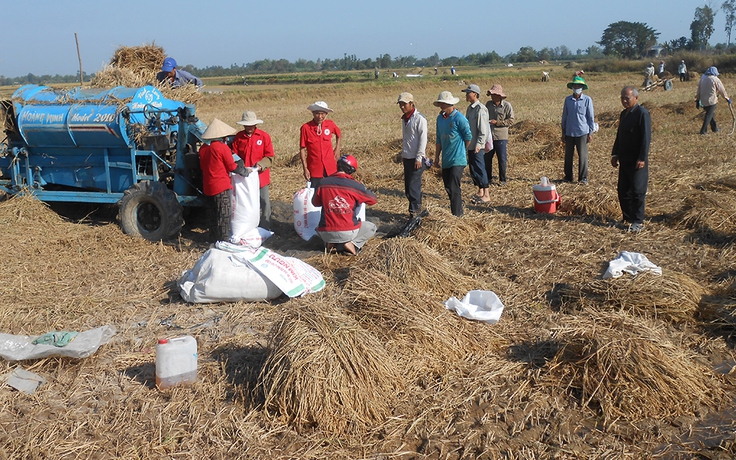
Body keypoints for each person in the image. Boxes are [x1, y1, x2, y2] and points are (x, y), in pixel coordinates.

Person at [312, 155, 377, 255]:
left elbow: (315, 203)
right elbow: (373, 200)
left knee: (318, 227)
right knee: (372, 227)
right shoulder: (355, 185)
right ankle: (352, 244)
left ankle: (331, 242)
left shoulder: (323, 182)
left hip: (325, 232)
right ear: (351, 170)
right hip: (348, 232)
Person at [199, 118, 248, 241]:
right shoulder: (222, 148)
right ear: (222, 136)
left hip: (207, 186)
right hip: (221, 187)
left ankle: (213, 239)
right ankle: (223, 241)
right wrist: (245, 171)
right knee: (223, 216)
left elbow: (202, 167)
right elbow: (232, 166)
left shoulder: (203, 149)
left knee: (212, 215)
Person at [611, 86, 651, 233]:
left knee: (638, 190)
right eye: (622, 98)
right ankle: (627, 217)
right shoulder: (624, 114)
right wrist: (615, 154)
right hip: (624, 158)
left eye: (627, 98)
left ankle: (638, 221)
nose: (624, 100)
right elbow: (619, 135)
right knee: (623, 190)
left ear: (636, 98)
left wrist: (642, 158)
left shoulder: (642, 114)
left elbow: (646, 138)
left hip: (637, 160)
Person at [230, 111, 275, 229]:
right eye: (246, 125)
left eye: (251, 125)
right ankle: (248, 225)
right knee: (244, 201)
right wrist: (241, 167)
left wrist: (260, 165)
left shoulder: (264, 137)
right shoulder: (238, 137)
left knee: (264, 201)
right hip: (243, 176)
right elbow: (234, 154)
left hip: (260, 176)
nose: (248, 127)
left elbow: (270, 156)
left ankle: (266, 226)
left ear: (255, 124)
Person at [433, 91, 472, 217]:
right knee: (448, 187)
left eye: (443, 104)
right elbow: (439, 139)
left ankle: (457, 214)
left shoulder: (459, 118)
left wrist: (463, 151)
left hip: (458, 159)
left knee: (454, 187)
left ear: (450, 104)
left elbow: (468, 136)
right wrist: (437, 158)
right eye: (440, 104)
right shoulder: (440, 119)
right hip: (446, 159)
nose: (441, 107)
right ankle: (456, 208)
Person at [397, 92, 429, 217]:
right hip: (407, 157)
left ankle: (415, 213)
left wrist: (419, 157)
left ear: (411, 103)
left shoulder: (419, 118)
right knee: (408, 188)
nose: (402, 107)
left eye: (404, 104)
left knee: (413, 187)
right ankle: (413, 212)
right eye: (400, 104)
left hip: (417, 158)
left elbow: (423, 139)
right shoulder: (405, 119)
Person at [561, 75, 595, 185]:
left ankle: (583, 178)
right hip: (569, 132)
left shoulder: (587, 100)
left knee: (583, 156)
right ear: (572, 87)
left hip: (582, 132)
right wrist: (563, 132)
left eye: (579, 86)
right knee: (568, 156)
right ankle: (568, 177)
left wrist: (590, 132)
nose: (577, 87)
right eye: (575, 85)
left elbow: (590, 117)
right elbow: (565, 116)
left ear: (582, 87)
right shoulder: (568, 100)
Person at [299, 101, 341, 189]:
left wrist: (337, 148)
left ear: (326, 114)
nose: (320, 116)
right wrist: (305, 168)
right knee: (316, 194)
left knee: (331, 192)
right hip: (314, 169)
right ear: (313, 113)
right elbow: (302, 148)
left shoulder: (330, 124)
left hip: (330, 168)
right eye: (317, 114)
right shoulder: (306, 128)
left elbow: (339, 134)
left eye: (323, 114)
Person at [461, 84, 490, 203]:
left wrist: (479, 144)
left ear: (475, 94)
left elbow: (483, 130)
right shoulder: (470, 108)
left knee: (480, 168)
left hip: (477, 145)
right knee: (473, 169)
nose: (466, 95)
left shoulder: (480, 109)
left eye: (468, 93)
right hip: (470, 145)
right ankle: (481, 191)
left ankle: (487, 194)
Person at [485, 84, 515, 187]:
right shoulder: (488, 105)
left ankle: (502, 179)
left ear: (499, 96)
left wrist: (497, 122)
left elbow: (511, 120)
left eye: (494, 94)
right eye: (491, 94)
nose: (492, 96)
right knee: (487, 158)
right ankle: (488, 178)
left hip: (501, 136)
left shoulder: (507, 106)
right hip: (489, 136)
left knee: (502, 159)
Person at [696, 66, 731, 135]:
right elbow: (722, 90)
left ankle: (715, 129)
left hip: (703, 101)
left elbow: (698, 90)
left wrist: (697, 100)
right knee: (708, 115)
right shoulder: (715, 79)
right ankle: (703, 131)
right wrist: (727, 98)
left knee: (710, 114)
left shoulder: (702, 78)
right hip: (712, 101)